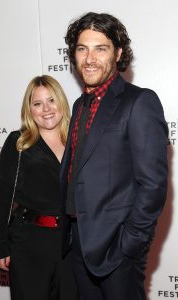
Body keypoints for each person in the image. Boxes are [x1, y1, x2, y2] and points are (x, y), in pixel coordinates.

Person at [60, 12, 168, 300]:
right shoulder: (80, 105)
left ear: (118, 53)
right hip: (79, 242)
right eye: (82, 49)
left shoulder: (139, 102)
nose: (90, 58)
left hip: (117, 248)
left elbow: (153, 184)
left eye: (101, 48)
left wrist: (130, 244)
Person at [0, 75, 78, 300]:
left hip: (72, 243)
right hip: (29, 243)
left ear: (61, 103)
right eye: (37, 104)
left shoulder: (77, 142)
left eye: (51, 100)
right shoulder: (18, 142)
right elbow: (2, 196)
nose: (46, 109)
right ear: (29, 109)